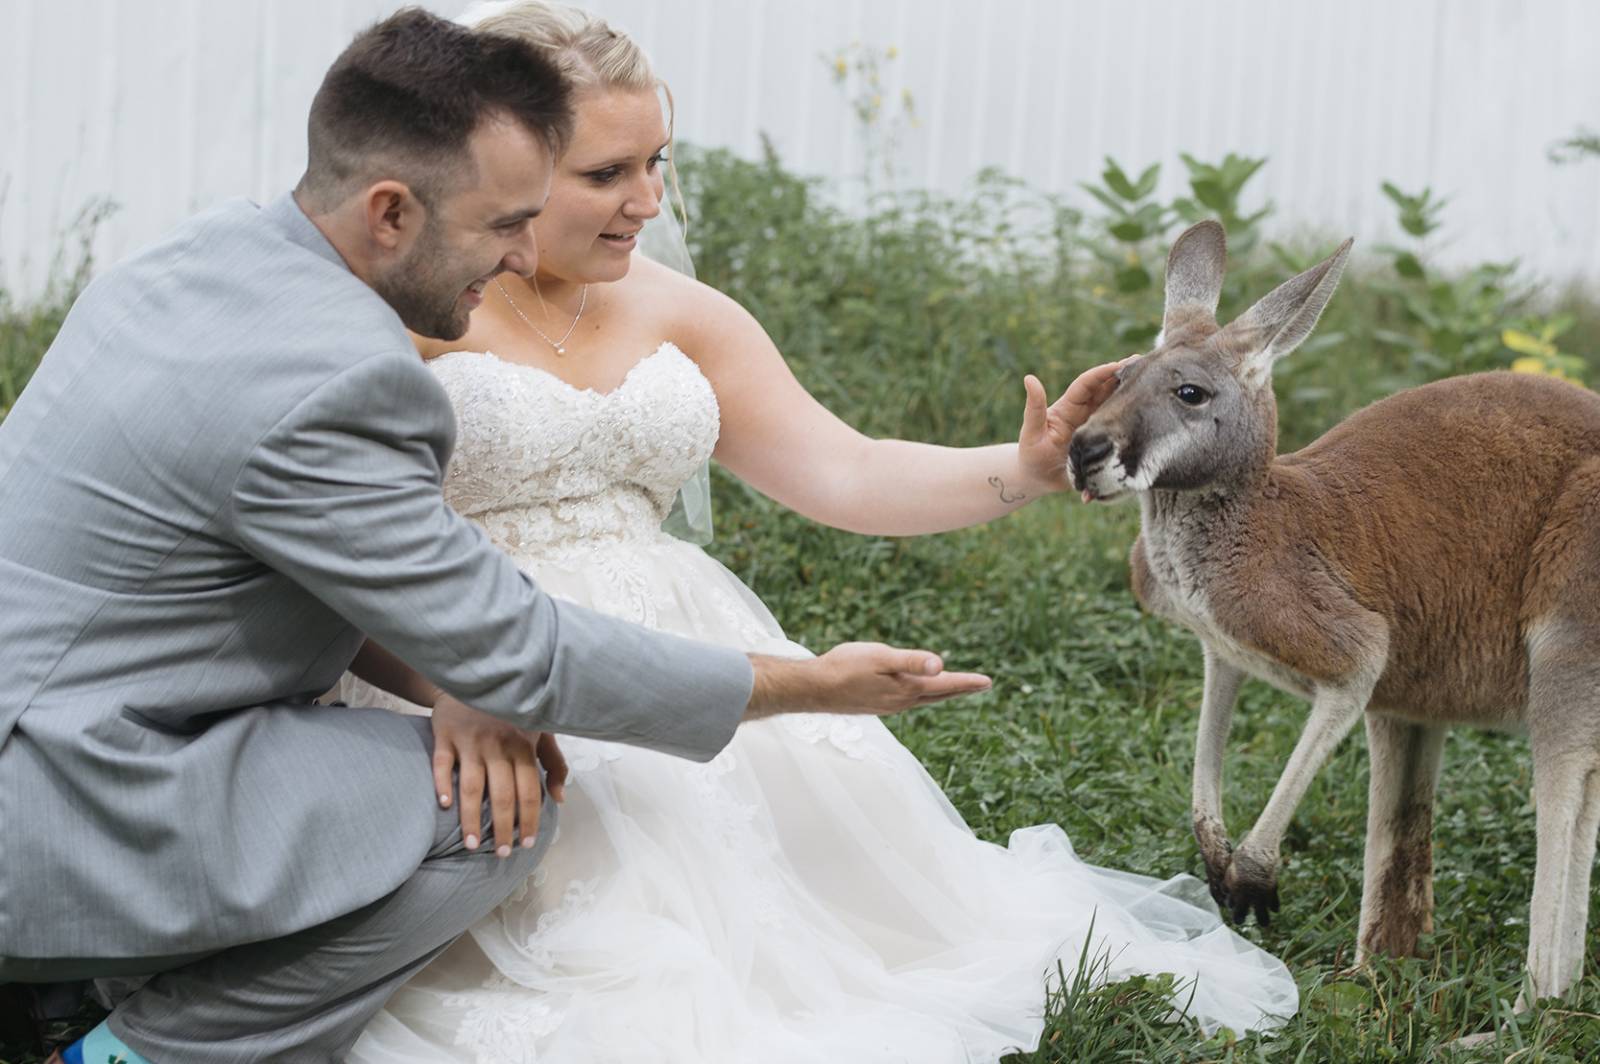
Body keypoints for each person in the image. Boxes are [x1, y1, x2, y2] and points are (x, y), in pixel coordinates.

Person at [0, 11, 990, 1064]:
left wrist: (454, 671)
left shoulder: (203, 255)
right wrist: (810, 686)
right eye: (500, 225)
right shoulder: (338, 376)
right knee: (492, 805)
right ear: (390, 211)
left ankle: (53, 987)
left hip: (63, 709)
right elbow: (527, 650)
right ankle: (135, 1049)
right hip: (67, 797)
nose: (524, 254)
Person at [340, 5, 1302, 1061]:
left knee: (856, 932)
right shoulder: (405, 306)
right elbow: (333, 539)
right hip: (462, 652)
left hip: (676, 631)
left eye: (658, 161)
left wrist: (1019, 469)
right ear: (507, 161)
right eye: (607, 174)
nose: (648, 202)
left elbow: (843, 465)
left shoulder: (680, 309)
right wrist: (453, 683)